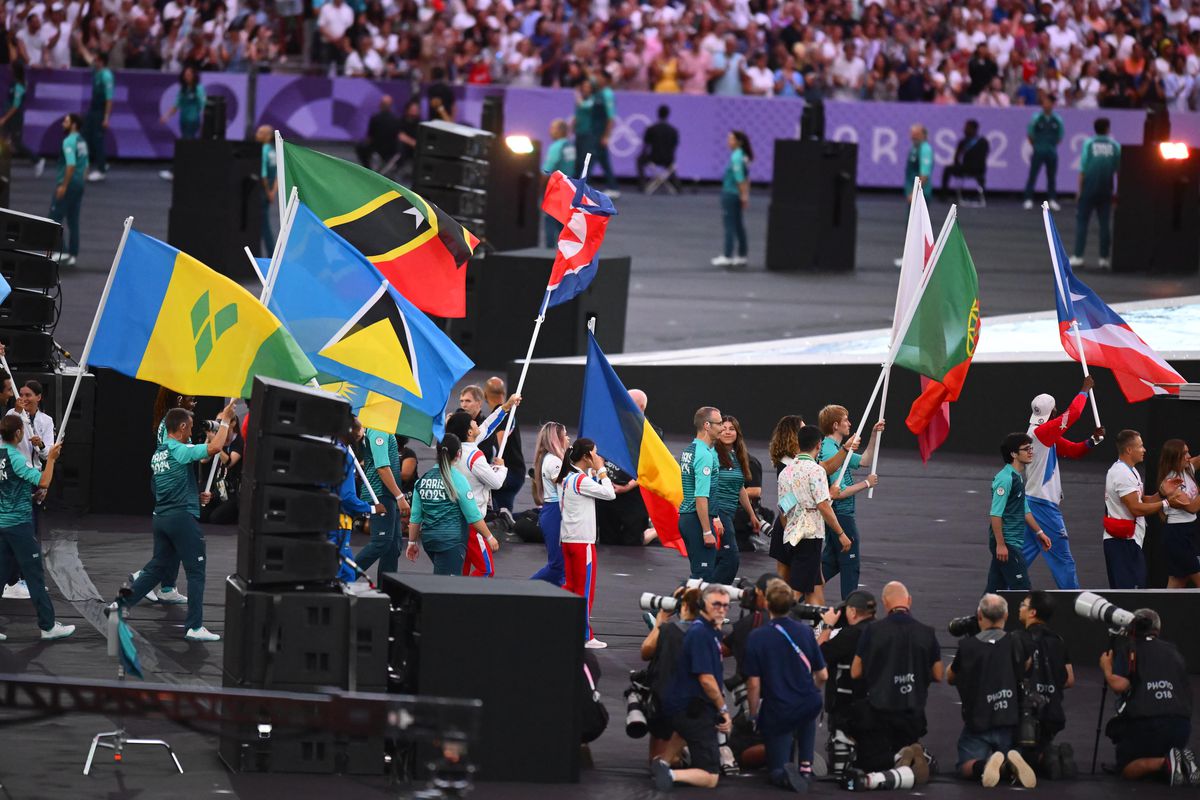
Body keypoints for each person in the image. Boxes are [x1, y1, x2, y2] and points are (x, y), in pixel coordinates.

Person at [122, 402, 236, 642]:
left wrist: (195, 496)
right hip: (181, 520)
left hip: (161, 519)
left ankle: (118, 607)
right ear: (182, 427)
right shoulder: (180, 451)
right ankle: (194, 627)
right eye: (191, 427)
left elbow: (168, 485)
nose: (192, 432)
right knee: (196, 572)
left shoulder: (160, 452)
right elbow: (215, 447)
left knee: (156, 568)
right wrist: (225, 420)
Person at [844, 581, 941, 792]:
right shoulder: (927, 632)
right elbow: (938, 674)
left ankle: (898, 758)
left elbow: (855, 672)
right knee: (906, 747)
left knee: (868, 762)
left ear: (885, 603)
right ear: (909, 601)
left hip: (880, 712)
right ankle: (916, 755)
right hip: (913, 714)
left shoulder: (873, 631)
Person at [744, 578, 828, 792]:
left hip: (779, 707)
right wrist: (812, 690)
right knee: (806, 715)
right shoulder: (806, 632)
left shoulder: (758, 637)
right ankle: (806, 768)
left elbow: (753, 683)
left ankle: (783, 775)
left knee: (776, 768)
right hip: (808, 702)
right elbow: (823, 675)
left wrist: (754, 714)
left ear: (767, 604)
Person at [947, 594, 1036, 788]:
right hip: (1010, 719)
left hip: (979, 721)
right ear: (1006, 615)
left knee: (964, 766)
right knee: (1013, 748)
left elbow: (950, 677)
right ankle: (1010, 763)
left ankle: (984, 765)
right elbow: (1027, 667)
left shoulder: (968, 646)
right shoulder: (1016, 642)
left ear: (979, 615)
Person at [1022, 379, 1103, 589]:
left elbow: (1074, 451)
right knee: (1062, 558)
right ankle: (1074, 601)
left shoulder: (1037, 432)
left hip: (1032, 501)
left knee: (1020, 558)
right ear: (1054, 411)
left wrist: (1092, 441)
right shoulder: (1044, 433)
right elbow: (1073, 415)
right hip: (1043, 506)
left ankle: (996, 599)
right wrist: (1084, 390)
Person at [1101, 609, 1196, 785]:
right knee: (1161, 775)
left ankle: (1166, 761)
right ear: (1157, 630)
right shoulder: (1174, 652)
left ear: (1131, 628)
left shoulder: (1130, 649)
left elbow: (1118, 686)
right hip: (1181, 725)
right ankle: (1179, 761)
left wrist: (1106, 666)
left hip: (1146, 723)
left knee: (1127, 770)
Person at [652, 583, 732, 791]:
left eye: (725, 605)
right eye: (716, 604)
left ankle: (663, 763)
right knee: (711, 776)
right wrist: (723, 709)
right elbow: (706, 679)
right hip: (692, 710)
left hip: (679, 705)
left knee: (682, 732)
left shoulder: (708, 631)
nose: (721, 609)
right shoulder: (701, 634)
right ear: (702, 604)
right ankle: (670, 774)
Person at [0, 417, 73, 641]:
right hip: (19, 526)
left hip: (3, 524)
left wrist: (29, 497)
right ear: (19, 434)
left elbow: (8, 488)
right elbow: (43, 481)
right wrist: (51, 458)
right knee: (34, 574)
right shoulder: (16, 458)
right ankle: (48, 626)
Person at [777, 425, 850, 606]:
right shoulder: (816, 470)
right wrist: (841, 534)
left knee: (817, 584)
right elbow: (823, 505)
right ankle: (776, 619)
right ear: (819, 445)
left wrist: (791, 531)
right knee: (798, 590)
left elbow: (783, 508)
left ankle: (818, 628)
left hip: (792, 534)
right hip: (810, 536)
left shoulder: (786, 471)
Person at [817, 405, 884, 601]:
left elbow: (864, 461)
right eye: (846, 420)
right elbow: (838, 492)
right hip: (841, 514)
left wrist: (873, 435)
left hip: (839, 513)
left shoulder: (835, 447)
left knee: (831, 563)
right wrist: (866, 483)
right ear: (836, 425)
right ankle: (850, 613)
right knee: (850, 565)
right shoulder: (830, 450)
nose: (850, 423)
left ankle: (796, 598)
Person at [556, 438, 615, 649]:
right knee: (585, 591)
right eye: (596, 453)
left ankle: (566, 627)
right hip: (583, 543)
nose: (599, 457)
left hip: (568, 539)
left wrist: (593, 470)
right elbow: (610, 494)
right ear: (586, 456)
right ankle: (585, 636)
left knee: (571, 587)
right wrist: (601, 471)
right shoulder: (581, 481)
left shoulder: (568, 477)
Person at [1105, 430, 1182, 589]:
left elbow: (1141, 501)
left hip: (1128, 541)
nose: (1144, 450)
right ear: (1129, 450)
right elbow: (1136, 509)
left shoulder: (1130, 471)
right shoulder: (1121, 474)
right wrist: (1166, 503)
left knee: (1134, 590)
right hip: (1122, 543)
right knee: (1129, 593)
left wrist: (1161, 493)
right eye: (1140, 446)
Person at [407, 434, 494, 576]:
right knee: (446, 587)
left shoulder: (423, 480)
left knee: (445, 579)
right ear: (459, 454)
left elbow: (416, 517)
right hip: (451, 541)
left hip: (429, 541)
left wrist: (411, 543)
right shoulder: (458, 479)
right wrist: (489, 537)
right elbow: (473, 515)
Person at [640, 586, 703, 769]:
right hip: (695, 705)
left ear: (683, 607)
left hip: (664, 700)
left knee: (657, 758)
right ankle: (676, 753)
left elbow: (645, 652)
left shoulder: (668, 632)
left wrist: (660, 622)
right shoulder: (708, 634)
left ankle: (669, 757)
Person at [1016, 590, 1076, 779]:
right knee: (1040, 741)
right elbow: (1069, 679)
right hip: (1053, 712)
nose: (1020, 608)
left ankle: (1044, 757)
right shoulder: (1058, 641)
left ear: (1033, 612)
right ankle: (1052, 752)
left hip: (1027, 712)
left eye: (1023, 605)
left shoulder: (1018, 638)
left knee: (1018, 757)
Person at [817, 589, 877, 780]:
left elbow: (817, 655)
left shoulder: (851, 635)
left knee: (840, 759)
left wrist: (827, 625)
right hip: (876, 705)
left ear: (852, 612)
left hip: (846, 706)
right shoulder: (880, 631)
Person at [988, 433, 1051, 592]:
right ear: (1013, 454)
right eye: (1026, 449)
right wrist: (1001, 545)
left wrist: (1039, 532)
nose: (1031, 452)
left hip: (1010, 542)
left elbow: (1024, 509)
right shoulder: (1006, 479)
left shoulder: (1017, 477)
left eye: (1031, 448)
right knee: (1021, 589)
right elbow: (996, 514)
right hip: (1007, 543)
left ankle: (977, 618)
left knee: (995, 589)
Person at [445, 410, 504, 578]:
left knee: (460, 572)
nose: (477, 423)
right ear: (469, 432)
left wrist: (504, 409)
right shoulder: (474, 455)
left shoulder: (455, 450)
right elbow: (497, 483)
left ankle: (457, 601)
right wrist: (501, 468)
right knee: (486, 570)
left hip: (455, 518)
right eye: (473, 422)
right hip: (473, 522)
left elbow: (486, 427)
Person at [354, 424, 410, 581]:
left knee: (393, 547)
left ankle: (387, 593)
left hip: (387, 493)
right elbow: (382, 467)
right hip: (381, 493)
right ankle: (343, 577)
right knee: (381, 542)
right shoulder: (379, 428)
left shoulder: (382, 427)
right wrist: (400, 497)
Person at [711, 416, 759, 583]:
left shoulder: (737, 456)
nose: (727, 432)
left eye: (731, 429)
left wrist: (752, 515)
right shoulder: (712, 455)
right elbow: (706, 488)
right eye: (723, 428)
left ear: (737, 433)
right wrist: (715, 516)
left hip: (729, 513)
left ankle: (702, 597)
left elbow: (740, 488)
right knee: (730, 559)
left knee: (717, 559)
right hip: (718, 512)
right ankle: (713, 594)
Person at [678, 407, 722, 580]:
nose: (722, 428)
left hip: (688, 518)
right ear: (707, 425)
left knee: (699, 574)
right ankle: (675, 607)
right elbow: (701, 496)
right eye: (718, 424)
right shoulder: (704, 455)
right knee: (702, 576)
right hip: (696, 520)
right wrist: (706, 531)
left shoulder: (690, 449)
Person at [1071, 117, 1121, 270]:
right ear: (1107, 128)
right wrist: (1118, 192)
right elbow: (1118, 170)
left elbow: (1083, 169)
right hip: (1106, 189)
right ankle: (1104, 258)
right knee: (1105, 224)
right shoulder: (1115, 146)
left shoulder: (1089, 144)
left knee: (1082, 222)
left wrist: (1079, 191)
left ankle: (1078, 257)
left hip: (1089, 188)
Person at [1157, 439, 1200, 588]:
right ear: (1174, 457)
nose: (1189, 456)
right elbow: (1192, 507)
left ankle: (1162, 611)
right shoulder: (1170, 482)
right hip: (1177, 536)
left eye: (1188, 451)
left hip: (1189, 532)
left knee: (1177, 582)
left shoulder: (1187, 469)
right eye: (1184, 454)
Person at [531, 421, 568, 585]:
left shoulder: (549, 459)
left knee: (562, 568)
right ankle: (523, 589)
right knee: (558, 565)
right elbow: (567, 488)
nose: (568, 438)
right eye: (565, 435)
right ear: (557, 439)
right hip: (555, 512)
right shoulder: (554, 462)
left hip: (552, 510)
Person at [49, 113, 87, 268]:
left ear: (74, 125)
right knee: (73, 219)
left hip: (69, 183)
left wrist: (63, 185)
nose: (63, 123)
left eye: (66, 121)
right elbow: (85, 166)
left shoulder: (69, 141)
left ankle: (62, 251)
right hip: (79, 184)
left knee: (55, 216)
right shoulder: (82, 141)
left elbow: (70, 165)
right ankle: (73, 253)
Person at [485, 376, 524, 517]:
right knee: (502, 513)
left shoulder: (502, 414)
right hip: (516, 471)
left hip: (508, 474)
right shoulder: (508, 414)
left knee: (501, 517)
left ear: (484, 395)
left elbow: (499, 442)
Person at [711, 130, 751, 269]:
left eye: (731, 139)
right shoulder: (743, 156)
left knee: (729, 225)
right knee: (739, 225)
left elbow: (740, 178)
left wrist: (744, 195)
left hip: (731, 193)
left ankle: (727, 256)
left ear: (739, 142)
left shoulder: (736, 157)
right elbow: (746, 178)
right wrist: (745, 194)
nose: (728, 141)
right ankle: (742, 255)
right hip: (736, 194)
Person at [0, 59, 44, 174]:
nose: (9, 68)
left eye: (11, 66)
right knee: (2, 140)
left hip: (14, 118)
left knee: (17, 143)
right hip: (9, 117)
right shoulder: (14, 83)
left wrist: (4, 118)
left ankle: (37, 160)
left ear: (15, 70)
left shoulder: (19, 86)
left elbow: (15, 106)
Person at [1022, 93, 1064, 211]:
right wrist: (1037, 146)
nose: (1045, 104)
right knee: (1033, 175)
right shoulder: (1036, 118)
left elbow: (1060, 137)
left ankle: (1052, 199)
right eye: (1044, 102)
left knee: (1051, 176)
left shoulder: (1058, 119)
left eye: (1047, 102)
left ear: (1052, 104)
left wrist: (1050, 146)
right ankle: (1028, 198)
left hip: (1051, 152)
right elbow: (1030, 134)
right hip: (1038, 151)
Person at [541, 118, 575, 246]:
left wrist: (539, 188)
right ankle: (567, 250)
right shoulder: (570, 146)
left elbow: (547, 169)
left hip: (555, 187)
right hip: (568, 187)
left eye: (553, 128)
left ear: (560, 131)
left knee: (549, 219)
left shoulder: (556, 147)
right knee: (562, 221)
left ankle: (549, 250)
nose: (550, 131)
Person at [80, 49, 113, 182]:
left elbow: (109, 99)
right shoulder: (96, 70)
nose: (94, 60)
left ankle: (101, 170)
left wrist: (106, 118)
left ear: (101, 61)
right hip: (92, 110)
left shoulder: (106, 76)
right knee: (85, 136)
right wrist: (80, 43)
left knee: (98, 140)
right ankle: (97, 163)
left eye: (96, 59)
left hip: (100, 111)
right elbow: (87, 57)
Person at [940, 119, 989, 199]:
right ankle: (983, 195)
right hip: (980, 170)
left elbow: (956, 158)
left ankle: (943, 196)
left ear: (973, 129)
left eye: (966, 127)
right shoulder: (984, 141)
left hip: (967, 169)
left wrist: (959, 166)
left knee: (947, 169)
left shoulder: (964, 142)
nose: (964, 129)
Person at [637, 105, 680, 193]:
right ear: (668, 115)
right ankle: (677, 185)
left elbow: (645, 146)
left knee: (639, 160)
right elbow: (674, 146)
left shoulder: (651, 129)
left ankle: (642, 184)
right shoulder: (673, 130)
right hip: (669, 159)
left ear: (658, 114)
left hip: (654, 158)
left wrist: (643, 155)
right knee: (670, 165)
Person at [572, 79, 606, 185]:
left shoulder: (593, 99)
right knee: (577, 159)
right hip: (579, 132)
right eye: (584, 86)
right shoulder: (582, 99)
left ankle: (584, 184)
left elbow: (583, 105)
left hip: (588, 133)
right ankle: (575, 183)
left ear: (592, 89)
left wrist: (577, 94)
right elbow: (578, 114)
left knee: (585, 159)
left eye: (588, 87)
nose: (585, 89)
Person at [354, 94, 401, 171]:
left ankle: (367, 169)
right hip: (391, 150)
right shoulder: (396, 120)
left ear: (380, 105)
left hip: (378, 149)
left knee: (360, 147)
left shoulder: (375, 118)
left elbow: (369, 137)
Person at [255, 124, 277, 256]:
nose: (257, 135)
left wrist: (268, 192)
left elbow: (262, 174)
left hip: (263, 191)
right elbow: (278, 175)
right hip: (269, 191)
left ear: (268, 136)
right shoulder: (273, 152)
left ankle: (271, 254)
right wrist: (274, 192)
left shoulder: (263, 151)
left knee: (263, 224)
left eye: (260, 133)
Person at [904, 124, 933, 204]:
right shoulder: (914, 147)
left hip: (920, 192)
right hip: (912, 188)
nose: (913, 137)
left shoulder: (925, 149)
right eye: (912, 134)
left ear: (923, 135)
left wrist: (914, 193)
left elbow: (924, 174)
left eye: (916, 134)